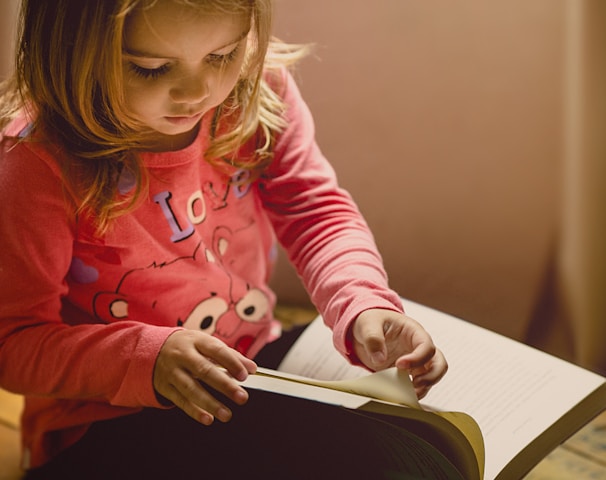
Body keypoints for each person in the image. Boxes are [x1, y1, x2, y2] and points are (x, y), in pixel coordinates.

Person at [0, 0, 447, 477]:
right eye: (150, 68)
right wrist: (144, 359)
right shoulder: (35, 164)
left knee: (406, 443)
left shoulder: (255, 93)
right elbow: (13, 340)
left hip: (253, 366)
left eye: (222, 55)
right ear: (66, 51)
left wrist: (362, 302)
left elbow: (313, 210)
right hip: (106, 419)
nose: (198, 92)